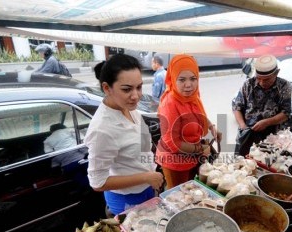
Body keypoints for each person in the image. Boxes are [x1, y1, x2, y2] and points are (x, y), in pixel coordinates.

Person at [84, 53, 164, 217]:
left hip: (147, 187)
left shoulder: (129, 108)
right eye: (127, 89)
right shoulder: (102, 129)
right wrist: (146, 177)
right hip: (126, 198)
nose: (136, 96)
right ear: (107, 88)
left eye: (139, 87)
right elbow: (98, 183)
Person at [155, 54, 222, 190]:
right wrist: (201, 148)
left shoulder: (192, 97)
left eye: (193, 79)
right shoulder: (170, 103)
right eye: (182, 79)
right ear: (173, 79)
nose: (188, 85)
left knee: (191, 190)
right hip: (175, 162)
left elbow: (198, 115)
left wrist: (211, 126)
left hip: (192, 157)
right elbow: (173, 143)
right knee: (178, 196)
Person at [232, 54, 292, 156]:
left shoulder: (284, 86)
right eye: (258, 78)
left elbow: (286, 113)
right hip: (247, 131)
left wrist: (267, 122)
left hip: (272, 136)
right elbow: (236, 106)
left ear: (277, 73)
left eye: (266, 79)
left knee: (266, 163)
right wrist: (243, 126)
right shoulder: (248, 84)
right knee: (241, 163)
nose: (261, 82)